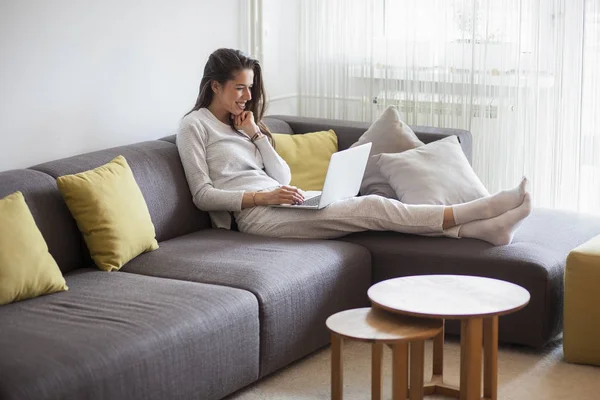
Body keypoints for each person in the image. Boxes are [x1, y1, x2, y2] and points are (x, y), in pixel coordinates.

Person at [176, 48, 531, 246]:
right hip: (255, 217)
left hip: (287, 198)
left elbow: (281, 174)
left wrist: (256, 136)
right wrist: (261, 198)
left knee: (367, 209)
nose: (249, 96)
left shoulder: (246, 126)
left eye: (250, 87)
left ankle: (481, 230)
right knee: (373, 207)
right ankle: (477, 210)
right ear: (214, 87)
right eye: (240, 88)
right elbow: (203, 195)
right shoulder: (194, 126)